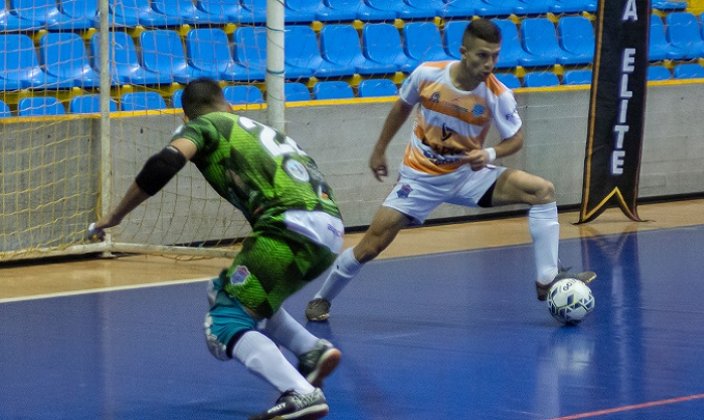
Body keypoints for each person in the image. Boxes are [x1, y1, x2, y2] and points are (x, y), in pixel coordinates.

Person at [305, 18, 595, 322]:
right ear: (464, 52)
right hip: (420, 179)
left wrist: (490, 153)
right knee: (371, 245)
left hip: (468, 176)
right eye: (483, 55)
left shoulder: (497, 95)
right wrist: (379, 149)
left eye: (495, 56)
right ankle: (321, 298)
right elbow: (401, 108)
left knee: (542, 191)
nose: (490, 63)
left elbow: (516, 139)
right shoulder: (428, 75)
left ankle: (546, 279)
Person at [88, 78, 344, 420]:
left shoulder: (206, 125)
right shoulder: (256, 128)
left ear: (189, 114)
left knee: (224, 321)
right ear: (227, 102)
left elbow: (165, 163)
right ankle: (310, 350)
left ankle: (300, 393)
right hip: (328, 228)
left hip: (288, 229)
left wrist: (115, 216)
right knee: (223, 291)